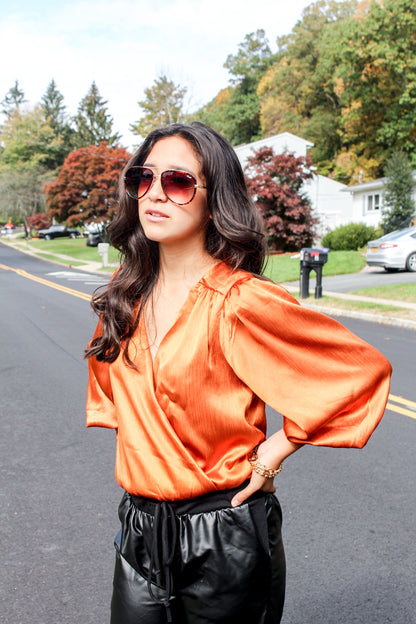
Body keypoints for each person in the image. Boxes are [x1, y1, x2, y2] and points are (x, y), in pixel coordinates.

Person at [85, 122, 392, 624]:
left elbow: (358, 373)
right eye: (144, 178)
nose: (155, 194)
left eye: (179, 182)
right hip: (140, 528)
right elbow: (121, 402)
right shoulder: (124, 296)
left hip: (224, 535)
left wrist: (276, 450)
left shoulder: (240, 301)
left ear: (214, 199)